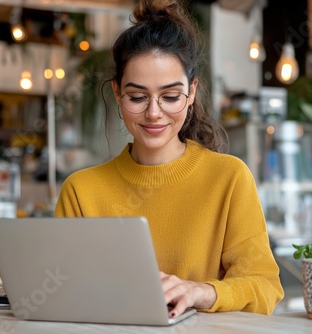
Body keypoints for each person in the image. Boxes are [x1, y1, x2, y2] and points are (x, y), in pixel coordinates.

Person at [55, 0, 284, 318]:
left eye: (171, 96)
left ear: (191, 93)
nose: (153, 113)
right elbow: (59, 292)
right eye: (137, 97)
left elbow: (264, 288)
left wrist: (201, 292)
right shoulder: (81, 190)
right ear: (117, 93)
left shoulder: (229, 177)